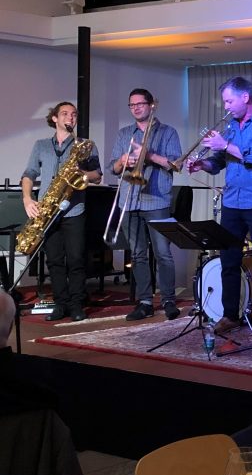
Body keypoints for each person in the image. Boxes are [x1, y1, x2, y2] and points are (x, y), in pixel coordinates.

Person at [187, 77, 252, 335]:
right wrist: (202, 164)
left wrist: (225, 144)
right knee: (228, 260)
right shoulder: (230, 125)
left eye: (229, 101)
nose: (226, 107)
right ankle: (230, 315)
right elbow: (219, 161)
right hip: (232, 201)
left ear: (245, 98)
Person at [21, 102, 102, 322]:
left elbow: (97, 175)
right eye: (65, 114)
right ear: (54, 118)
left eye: (74, 114)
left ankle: (76, 304)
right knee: (54, 261)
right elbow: (29, 174)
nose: (70, 117)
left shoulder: (85, 145)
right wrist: (27, 199)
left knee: (76, 259)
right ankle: (60, 303)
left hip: (74, 209)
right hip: (48, 211)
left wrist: (81, 174)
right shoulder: (41, 145)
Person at [109, 88, 183, 321]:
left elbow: (176, 164)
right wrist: (123, 160)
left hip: (157, 200)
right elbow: (113, 168)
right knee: (138, 254)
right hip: (129, 200)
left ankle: (168, 300)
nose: (136, 108)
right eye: (132, 105)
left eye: (140, 104)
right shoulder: (124, 134)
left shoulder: (168, 132)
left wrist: (148, 155)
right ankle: (145, 302)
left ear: (151, 105)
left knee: (163, 254)